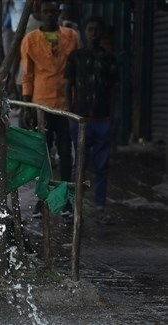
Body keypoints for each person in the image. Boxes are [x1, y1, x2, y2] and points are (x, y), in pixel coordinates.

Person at [20, 1, 78, 219]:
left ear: (59, 13)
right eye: (47, 11)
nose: (51, 15)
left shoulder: (71, 37)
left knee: (65, 153)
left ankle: (64, 200)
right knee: (43, 155)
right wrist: (27, 107)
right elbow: (27, 75)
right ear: (39, 14)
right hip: (41, 104)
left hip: (65, 105)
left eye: (54, 11)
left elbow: (76, 70)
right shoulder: (31, 40)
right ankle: (42, 200)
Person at [65, 16, 117, 225]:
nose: (93, 34)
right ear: (85, 32)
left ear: (101, 33)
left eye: (97, 30)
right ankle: (75, 207)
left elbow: (115, 90)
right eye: (90, 30)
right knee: (80, 166)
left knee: (101, 166)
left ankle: (100, 207)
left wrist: (112, 117)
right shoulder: (76, 57)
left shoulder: (109, 60)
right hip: (82, 119)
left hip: (102, 119)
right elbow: (68, 86)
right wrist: (71, 115)